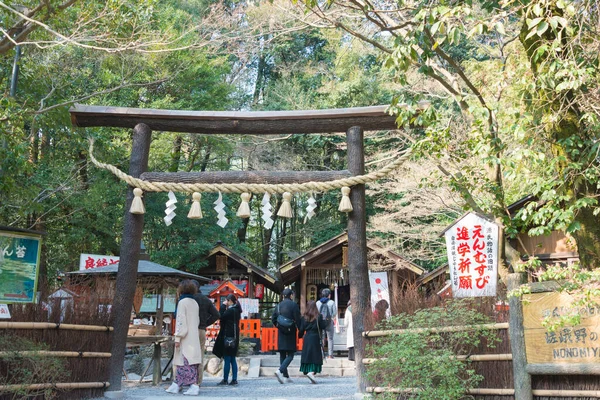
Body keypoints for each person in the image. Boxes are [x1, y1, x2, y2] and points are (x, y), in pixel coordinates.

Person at [166, 280, 203, 395]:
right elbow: (197, 320)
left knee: (184, 362)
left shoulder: (182, 302)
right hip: (193, 336)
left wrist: (177, 337)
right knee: (189, 362)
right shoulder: (194, 302)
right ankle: (177, 384)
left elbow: (181, 322)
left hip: (185, 337)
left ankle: (192, 386)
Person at [191, 280, 220, 387]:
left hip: (190, 330)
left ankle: (187, 379)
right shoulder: (205, 299)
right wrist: (205, 323)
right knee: (199, 356)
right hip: (201, 330)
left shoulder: (189, 299)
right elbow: (216, 314)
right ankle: (198, 381)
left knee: (188, 355)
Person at [271, 288, 301, 384]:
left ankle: (285, 376)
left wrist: (279, 326)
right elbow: (298, 319)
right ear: (291, 295)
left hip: (281, 331)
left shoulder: (279, 305)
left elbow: (273, 318)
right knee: (291, 355)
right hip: (290, 331)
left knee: (282, 354)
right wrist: (300, 329)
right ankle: (280, 371)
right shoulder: (294, 305)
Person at [212, 294, 242, 386]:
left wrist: (223, 306)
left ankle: (225, 379)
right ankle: (234, 379)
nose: (226, 303)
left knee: (227, 358)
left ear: (230, 301)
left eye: (227, 301)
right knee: (232, 358)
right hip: (234, 337)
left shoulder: (230, 310)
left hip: (228, 337)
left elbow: (220, 316)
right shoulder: (237, 310)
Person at [298, 300, 328, 384]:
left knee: (307, 355)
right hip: (315, 338)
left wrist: (299, 336)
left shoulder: (304, 317)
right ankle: (312, 372)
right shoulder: (318, 316)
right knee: (315, 356)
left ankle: (308, 371)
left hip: (307, 338)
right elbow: (323, 326)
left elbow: (301, 329)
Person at [316, 288, 337, 359]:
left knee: (321, 338)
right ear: (329, 295)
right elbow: (334, 313)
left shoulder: (318, 303)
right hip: (329, 322)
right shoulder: (332, 302)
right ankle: (330, 355)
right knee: (330, 338)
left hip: (320, 322)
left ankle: (321, 354)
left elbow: (316, 313)